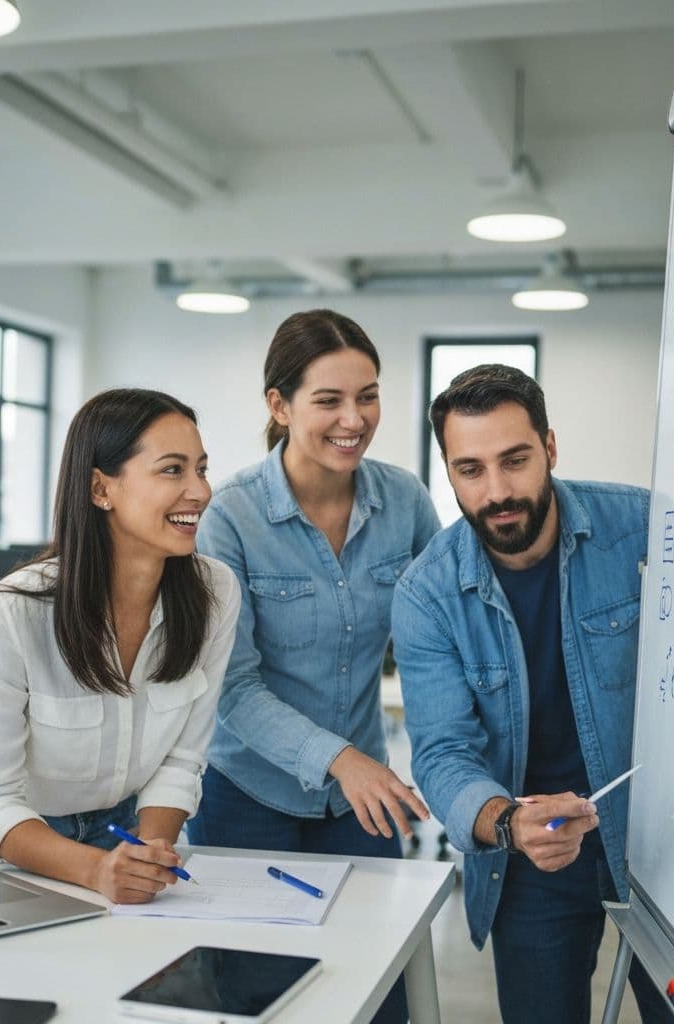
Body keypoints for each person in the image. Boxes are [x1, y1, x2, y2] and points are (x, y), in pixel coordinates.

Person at [391, 364, 670, 1024]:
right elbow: (442, 753)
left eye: (515, 460)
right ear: (448, 473)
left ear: (550, 447)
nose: (496, 492)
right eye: (470, 470)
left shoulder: (644, 527)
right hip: (531, 848)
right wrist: (507, 824)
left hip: (660, 836)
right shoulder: (427, 593)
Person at [189, 309, 439, 1023]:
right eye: (329, 400)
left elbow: (444, 635)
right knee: (264, 1002)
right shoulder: (229, 517)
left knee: (378, 991)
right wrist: (341, 760)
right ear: (280, 404)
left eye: (368, 396)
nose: (353, 419)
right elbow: (232, 687)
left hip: (360, 803)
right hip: (245, 796)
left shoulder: (405, 502)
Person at [0, 388, 240, 904]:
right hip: (26, 849)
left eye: (201, 470)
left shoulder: (215, 594)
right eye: (172, 470)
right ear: (99, 488)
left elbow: (182, 760)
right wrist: (96, 871)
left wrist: (144, 857)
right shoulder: (15, 612)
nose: (200, 491)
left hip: (129, 835)